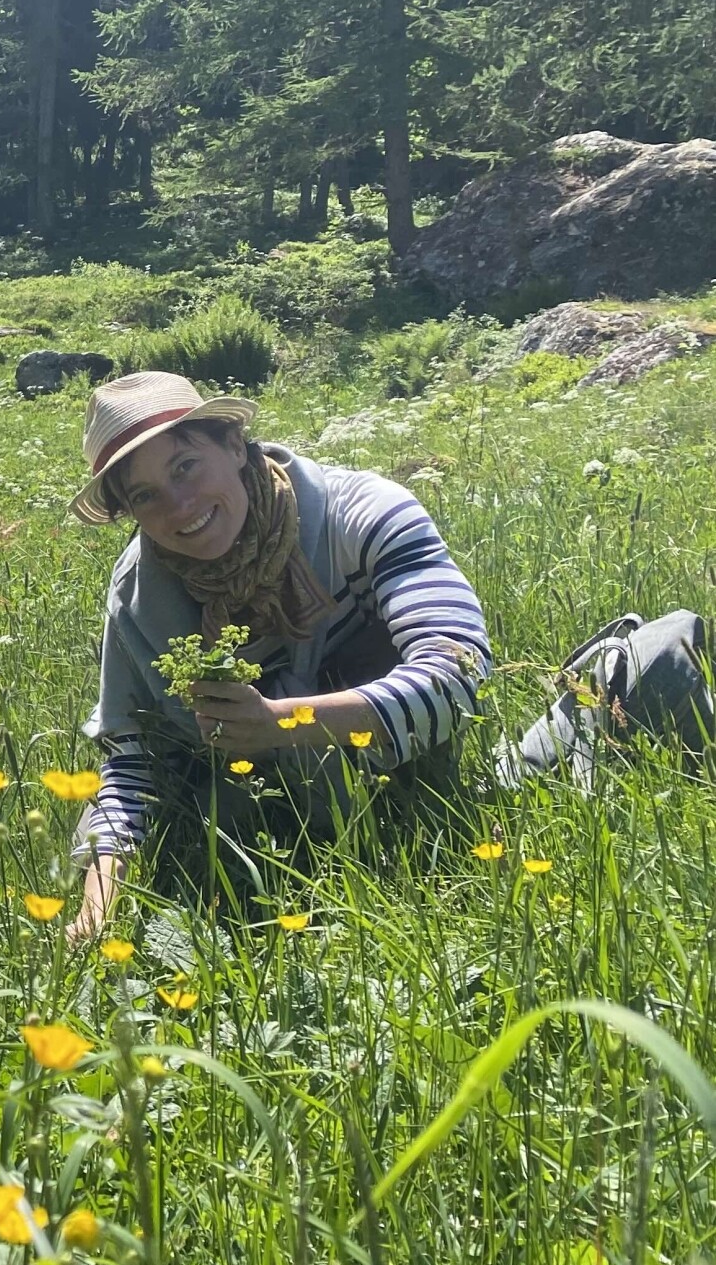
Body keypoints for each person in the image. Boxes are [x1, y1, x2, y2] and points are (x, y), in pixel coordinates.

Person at [65, 372, 493, 942]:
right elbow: (131, 762)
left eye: (185, 466)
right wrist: (97, 911)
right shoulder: (138, 602)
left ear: (235, 444)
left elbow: (457, 673)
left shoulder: (364, 516)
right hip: (250, 842)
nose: (179, 506)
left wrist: (280, 724)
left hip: (415, 817)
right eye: (144, 495)